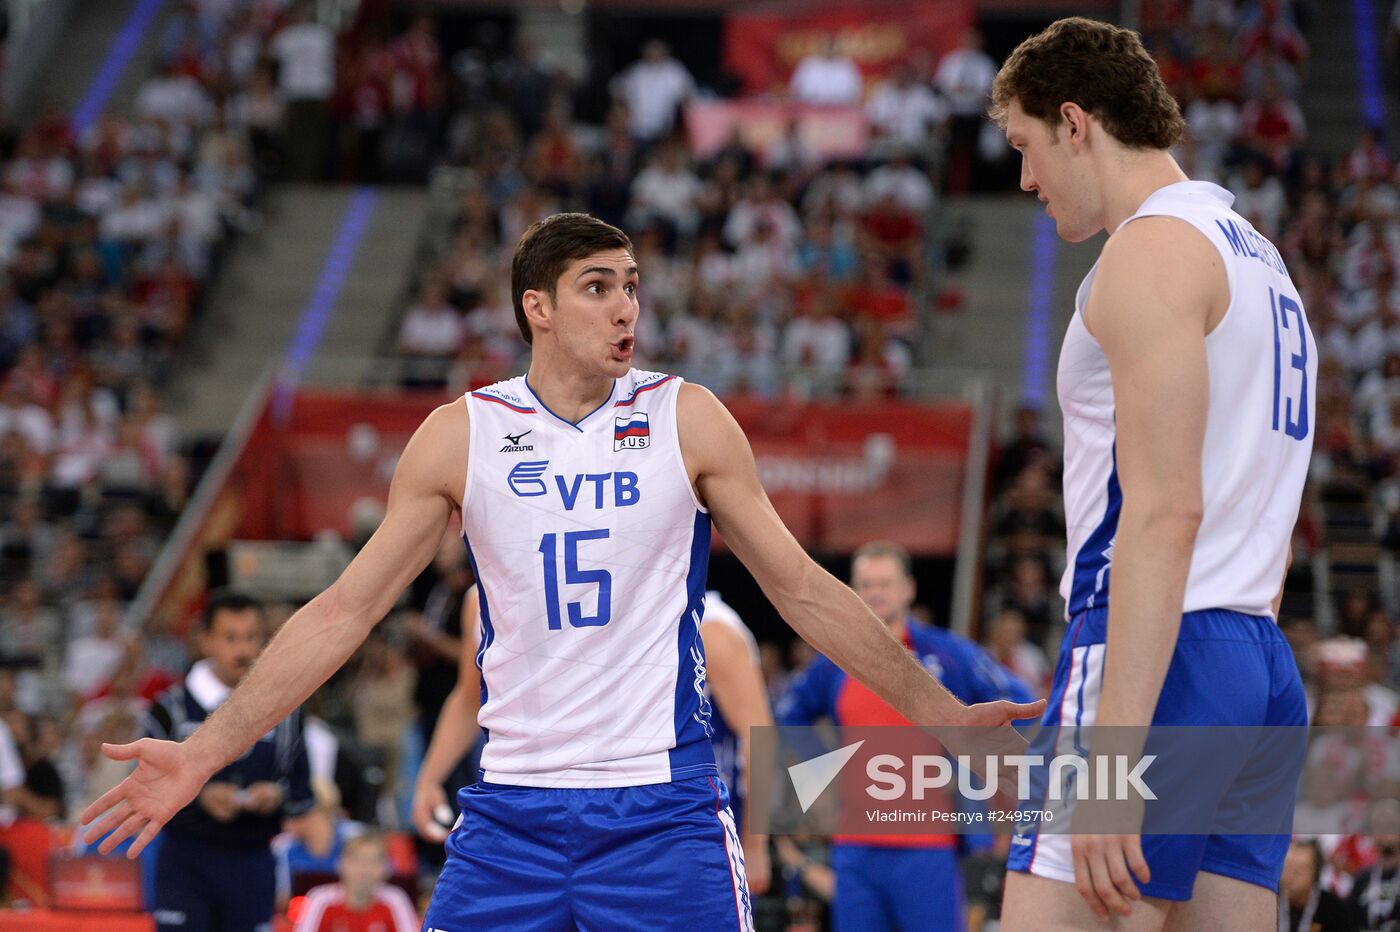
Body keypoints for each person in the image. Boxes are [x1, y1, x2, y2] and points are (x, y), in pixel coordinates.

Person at [82, 213, 1042, 928]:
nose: (625, 306)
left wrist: (939, 710)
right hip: (511, 814)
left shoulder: (686, 416)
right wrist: (207, 748)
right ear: (536, 307)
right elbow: (342, 611)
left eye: (631, 286)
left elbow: (799, 588)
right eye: (597, 287)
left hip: (663, 809)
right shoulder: (462, 434)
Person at [990, 17, 1314, 929]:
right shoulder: (1260, 259)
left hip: (1158, 654)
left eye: (1025, 147)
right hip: (1255, 656)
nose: (1025, 180)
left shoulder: (1148, 252)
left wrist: (1114, 756)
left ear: (1075, 122)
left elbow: (1166, 507)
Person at [408, 584, 776, 895]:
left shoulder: (708, 627)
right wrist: (429, 778)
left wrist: (757, 845)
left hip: (682, 818)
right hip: (547, 809)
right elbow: (470, 695)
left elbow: (762, 739)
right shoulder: (487, 595)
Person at [777, 541, 1034, 932]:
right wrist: (824, 772)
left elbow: (1019, 700)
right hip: (854, 846)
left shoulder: (945, 655)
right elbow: (788, 714)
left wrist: (975, 773)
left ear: (908, 589)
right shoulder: (836, 660)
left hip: (927, 846)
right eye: (865, 584)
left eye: (884, 583)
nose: (875, 592)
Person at [140, 591, 316, 932]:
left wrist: (276, 796)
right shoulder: (168, 711)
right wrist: (200, 797)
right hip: (184, 863)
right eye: (230, 638)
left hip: (252, 864)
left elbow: (302, 793)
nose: (243, 650)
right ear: (205, 640)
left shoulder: (287, 711)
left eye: (252, 638)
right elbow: (145, 787)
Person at [293, 832, 418, 932]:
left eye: (372, 861)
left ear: (385, 868)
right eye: (356, 860)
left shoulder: (395, 900)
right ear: (340, 864)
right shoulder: (320, 899)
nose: (363, 868)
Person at [1278, 838, 1349, 932]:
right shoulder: (1270, 901)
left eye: (1299, 869)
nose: (1290, 875)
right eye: (1287, 867)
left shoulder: (1333, 910)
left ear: (1315, 872)